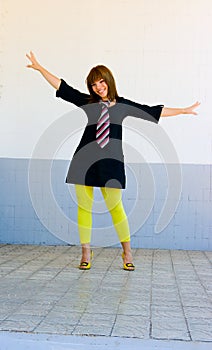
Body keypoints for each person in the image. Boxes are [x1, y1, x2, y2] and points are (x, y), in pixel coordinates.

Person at [26, 51, 200, 271]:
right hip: (84, 162)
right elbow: (63, 87)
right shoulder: (88, 102)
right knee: (84, 209)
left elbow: (152, 111)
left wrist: (183, 110)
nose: (99, 87)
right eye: (94, 84)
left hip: (112, 164)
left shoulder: (122, 105)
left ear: (109, 81)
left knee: (116, 208)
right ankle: (86, 253)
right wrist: (41, 68)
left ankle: (126, 252)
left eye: (101, 82)